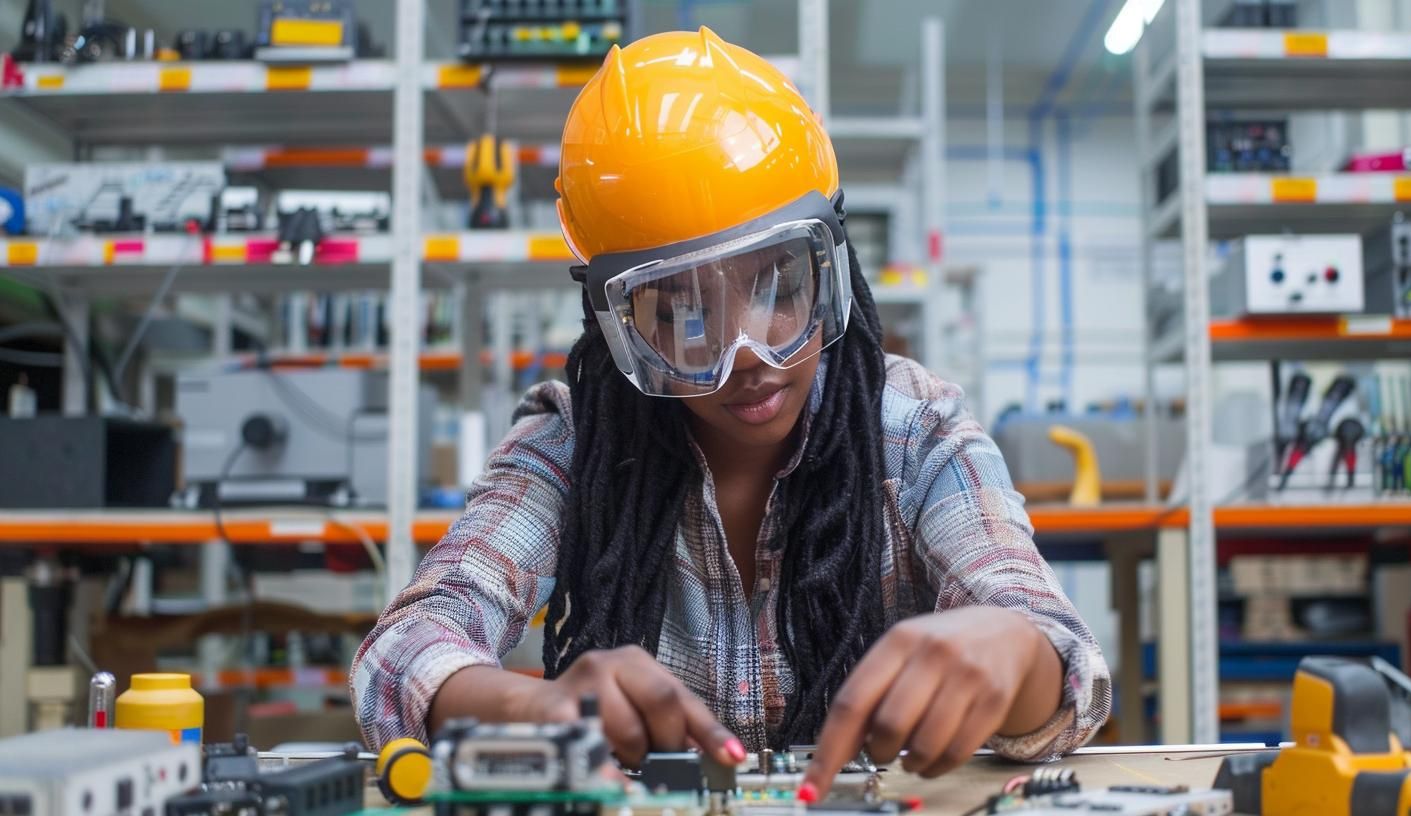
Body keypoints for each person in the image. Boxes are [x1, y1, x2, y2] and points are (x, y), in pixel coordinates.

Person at [351, 27, 1110, 796]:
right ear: (617, 325)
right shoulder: (570, 443)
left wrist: (1016, 653)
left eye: (779, 285)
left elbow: (1064, 660)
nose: (746, 354)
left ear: (831, 264)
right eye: (682, 310)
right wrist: (529, 704)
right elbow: (404, 646)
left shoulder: (916, 430)